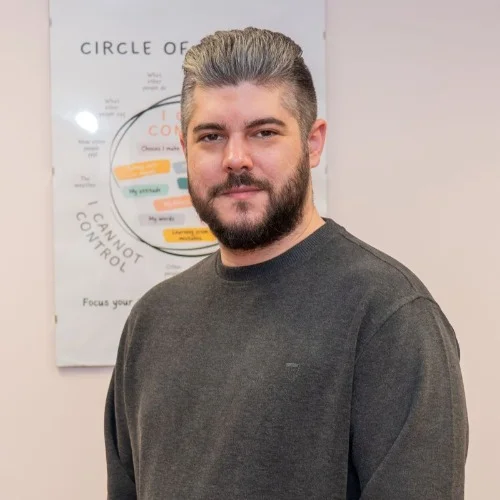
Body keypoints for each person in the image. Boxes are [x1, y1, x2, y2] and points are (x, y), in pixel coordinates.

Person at [104, 27, 468, 499]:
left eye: (264, 133)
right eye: (211, 136)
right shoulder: (152, 321)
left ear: (313, 143)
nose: (236, 159)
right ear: (184, 148)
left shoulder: (388, 316)